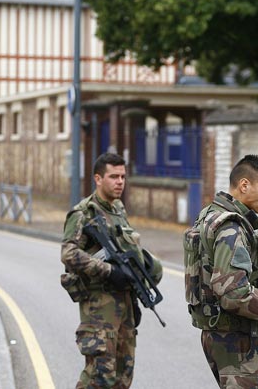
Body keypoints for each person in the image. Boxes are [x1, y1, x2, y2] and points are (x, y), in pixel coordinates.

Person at [185, 154, 258, 389]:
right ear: (244, 185)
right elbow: (234, 294)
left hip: (218, 334)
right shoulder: (231, 228)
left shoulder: (209, 215)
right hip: (234, 339)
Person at [61, 152, 163, 389]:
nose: (120, 182)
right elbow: (68, 254)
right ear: (98, 179)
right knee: (99, 378)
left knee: (123, 377)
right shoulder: (83, 213)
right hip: (99, 308)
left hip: (124, 304)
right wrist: (108, 271)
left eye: (123, 177)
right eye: (114, 177)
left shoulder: (118, 209)